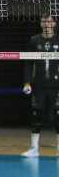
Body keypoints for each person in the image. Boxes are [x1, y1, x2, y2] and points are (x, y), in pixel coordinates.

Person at [22, 13, 59, 158]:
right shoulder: (34, 40)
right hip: (39, 85)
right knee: (36, 114)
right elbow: (28, 63)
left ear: (54, 24)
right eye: (43, 21)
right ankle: (34, 149)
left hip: (55, 85)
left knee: (58, 116)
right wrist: (26, 82)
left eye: (49, 21)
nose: (46, 24)